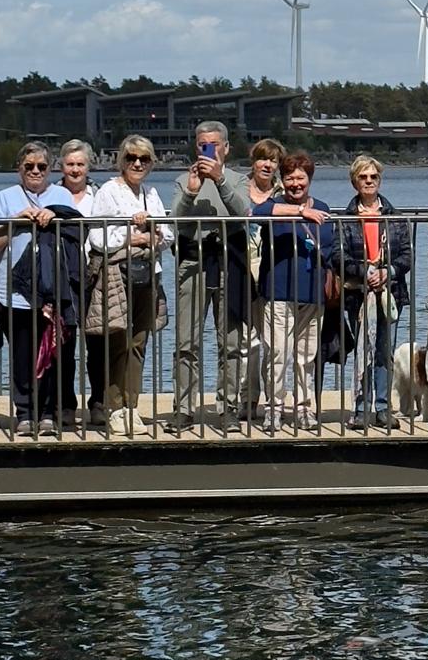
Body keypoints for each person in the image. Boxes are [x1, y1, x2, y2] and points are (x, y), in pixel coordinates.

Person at [0, 142, 84, 436]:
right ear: (19, 169)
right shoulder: (5, 198)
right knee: (22, 355)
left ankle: (48, 413)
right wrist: (14, 223)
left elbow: (76, 232)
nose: (35, 171)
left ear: (50, 169)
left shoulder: (62, 195)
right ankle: (25, 412)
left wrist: (54, 216)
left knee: (53, 355)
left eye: (41, 166)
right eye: (29, 166)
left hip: (53, 293)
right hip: (14, 293)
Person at [86, 136, 173, 437]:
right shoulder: (109, 191)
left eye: (144, 159)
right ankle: (113, 407)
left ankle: (131, 406)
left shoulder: (151, 193)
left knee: (138, 342)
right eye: (132, 158)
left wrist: (152, 232)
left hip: (147, 275)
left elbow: (168, 234)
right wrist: (130, 234)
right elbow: (96, 238)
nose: (137, 164)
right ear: (121, 160)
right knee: (117, 343)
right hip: (116, 275)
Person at [171, 121, 252, 433]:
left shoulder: (237, 179)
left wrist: (218, 180)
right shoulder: (183, 181)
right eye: (203, 144)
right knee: (185, 342)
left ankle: (228, 407)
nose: (208, 150)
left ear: (226, 148)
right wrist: (191, 193)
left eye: (214, 144)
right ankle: (184, 409)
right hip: (192, 261)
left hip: (228, 260)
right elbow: (176, 221)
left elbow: (242, 211)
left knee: (230, 342)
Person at [253, 152, 337, 432]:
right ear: (282, 181)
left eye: (300, 177)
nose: (295, 183)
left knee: (306, 355)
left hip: (312, 294)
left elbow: (330, 248)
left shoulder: (323, 207)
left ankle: (304, 409)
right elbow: (256, 213)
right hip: (277, 292)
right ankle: (274, 410)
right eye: (289, 178)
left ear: (309, 179)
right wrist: (300, 212)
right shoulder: (272, 205)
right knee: (277, 354)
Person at [339, 155, 412, 428]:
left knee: (383, 351)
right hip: (357, 294)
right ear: (354, 181)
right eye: (363, 177)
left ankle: (383, 407)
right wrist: (364, 273)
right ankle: (360, 408)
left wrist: (387, 272)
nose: (369, 181)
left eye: (373, 177)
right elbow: (339, 257)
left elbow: (406, 255)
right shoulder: (344, 219)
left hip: (390, 294)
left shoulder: (395, 217)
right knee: (361, 350)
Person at [59, 137, 107, 428]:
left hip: (95, 273)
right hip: (63, 274)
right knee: (64, 344)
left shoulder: (99, 195)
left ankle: (99, 402)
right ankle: (65, 404)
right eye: (70, 164)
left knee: (97, 344)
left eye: (80, 164)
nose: (75, 170)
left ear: (89, 166)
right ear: (61, 166)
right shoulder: (53, 194)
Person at [244, 138, 286, 418]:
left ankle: (273, 402)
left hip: (272, 269)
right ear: (253, 161)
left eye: (273, 160)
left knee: (273, 341)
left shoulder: (284, 193)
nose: (267, 165)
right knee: (247, 341)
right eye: (262, 159)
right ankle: (247, 398)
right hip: (242, 266)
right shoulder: (238, 189)